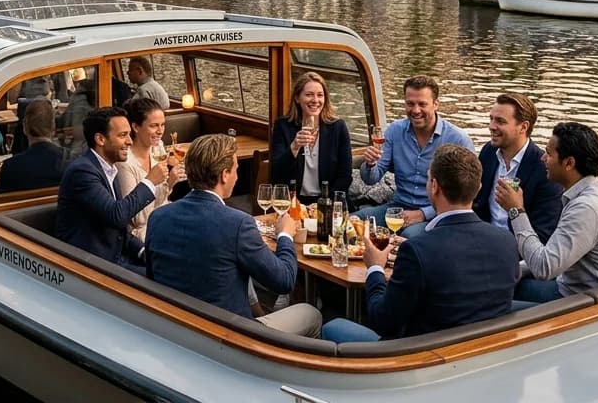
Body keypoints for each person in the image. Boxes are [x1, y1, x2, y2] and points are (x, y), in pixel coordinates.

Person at [148, 133, 340, 339]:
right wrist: (285, 235)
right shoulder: (238, 223)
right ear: (224, 175)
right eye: (236, 170)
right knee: (311, 314)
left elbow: (152, 276)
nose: (237, 176)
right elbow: (284, 280)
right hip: (231, 335)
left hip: (174, 326)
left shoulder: (158, 217)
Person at [325, 144, 520, 342]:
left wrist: (375, 268)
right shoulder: (507, 242)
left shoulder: (417, 250)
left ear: (434, 186)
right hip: (485, 350)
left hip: (417, 353)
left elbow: (382, 321)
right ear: (478, 188)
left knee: (332, 326)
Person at [496, 122, 598, 303]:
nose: (543, 158)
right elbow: (554, 255)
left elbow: (543, 268)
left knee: (492, 304)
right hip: (582, 288)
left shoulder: (586, 208)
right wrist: (516, 269)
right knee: (501, 285)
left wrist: (516, 210)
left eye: (549, 153)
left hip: (587, 303)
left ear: (569, 163)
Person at [55, 106, 174, 275]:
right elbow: (116, 215)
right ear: (100, 139)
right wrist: (150, 181)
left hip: (117, 258)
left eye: (128, 134)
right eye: (123, 135)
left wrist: (142, 251)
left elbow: (120, 231)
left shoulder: (110, 168)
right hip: (91, 266)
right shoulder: (82, 172)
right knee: (165, 279)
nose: (130, 141)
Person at [357, 75, 475, 236]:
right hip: (398, 207)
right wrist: (370, 164)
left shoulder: (458, 139)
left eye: (422, 104)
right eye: (410, 104)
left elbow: (467, 196)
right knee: (353, 222)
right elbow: (371, 179)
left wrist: (423, 214)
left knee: (409, 236)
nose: (416, 110)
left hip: (437, 214)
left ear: (436, 104)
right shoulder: (395, 131)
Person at [472, 94, 562, 243]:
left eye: (500, 121)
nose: (491, 126)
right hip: (482, 240)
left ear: (523, 127)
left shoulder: (545, 169)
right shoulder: (488, 152)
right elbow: (477, 204)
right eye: (491, 119)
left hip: (519, 249)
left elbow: (544, 232)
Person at [269, 72, 353, 205]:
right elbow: (276, 173)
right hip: (294, 203)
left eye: (320, 95)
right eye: (309, 95)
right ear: (297, 98)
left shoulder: (338, 127)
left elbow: (345, 176)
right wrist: (294, 147)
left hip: (329, 202)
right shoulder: (283, 126)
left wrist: (324, 203)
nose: (315, 100)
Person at [116, 98, 180, 241]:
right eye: (154, 126)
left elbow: (162, 201)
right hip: (143, 233)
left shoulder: (157, 148)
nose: (160, 131)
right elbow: (138, 219)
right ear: (135, 127)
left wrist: (170, 182)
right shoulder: (125, 163)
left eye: (162, 125)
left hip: (163, 218)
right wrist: (157, 182)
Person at [0, 99, 65, 193]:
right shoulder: (70, 160)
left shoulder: (11, 167)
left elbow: (2, 197)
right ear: (53, 128)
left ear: (24, 128)